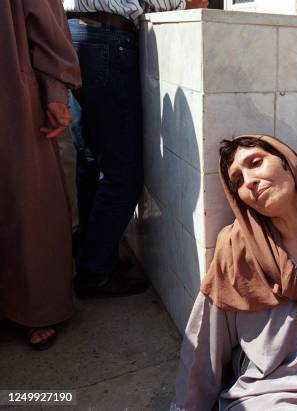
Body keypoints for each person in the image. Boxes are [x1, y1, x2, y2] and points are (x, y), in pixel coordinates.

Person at [173, 135, 297, 411]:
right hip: (270, 395)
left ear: (287, 163)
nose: (249, 180)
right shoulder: (236, 247)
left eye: (256, 162)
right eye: (237, 181)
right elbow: (204, 341)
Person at [62, 0, 187, 297]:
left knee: (91, 163)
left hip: (74, 35)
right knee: (123, 174)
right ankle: (94, 272)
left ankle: (91, 256)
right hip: (106, 39)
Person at [0, 0, 81, 348]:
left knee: (26, 198)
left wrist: (54, 91)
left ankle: (36, 307)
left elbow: (46, 20)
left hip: (10, 92)